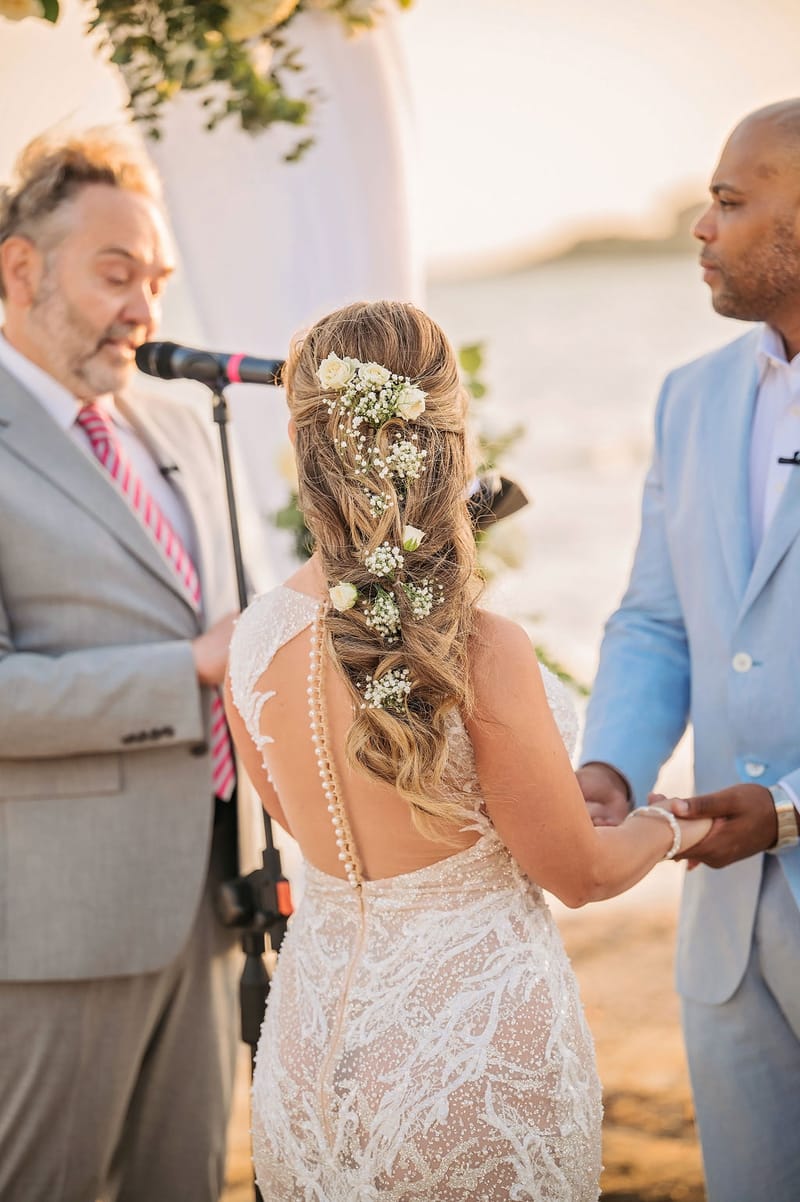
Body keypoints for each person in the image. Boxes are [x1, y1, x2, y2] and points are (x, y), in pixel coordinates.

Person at [224, 299, 711, 1200]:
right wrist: (677, 828)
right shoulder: (478, 648)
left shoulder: (254, 638)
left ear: (308, 448)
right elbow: (582, 874)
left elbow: (305, 820)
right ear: (451, 438)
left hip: (310, 1055)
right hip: (468, 1055)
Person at [0, 129, 265, 1201]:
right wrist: (190, 670)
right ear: (20, 268)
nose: (145, 309)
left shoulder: (178, 423)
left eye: (154, 279)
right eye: (116, 274)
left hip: (214, 900)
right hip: (54, 927)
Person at [578, 100, 800, 1202]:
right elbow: (653, 618)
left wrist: (792, 807)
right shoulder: (686, 398)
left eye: (728, 202)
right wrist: (608, 766)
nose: (700, 228)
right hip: (725, 937)